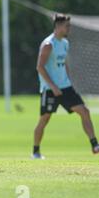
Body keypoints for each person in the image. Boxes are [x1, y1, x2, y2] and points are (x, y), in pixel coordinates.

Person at [33, 13, 99, 159]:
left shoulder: (65, 43)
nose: (69, 28)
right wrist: (53, 86)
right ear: (58, 26)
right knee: (44, 119)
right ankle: (35, 152)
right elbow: (40, 67)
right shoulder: (48, 45)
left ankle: (95, 144)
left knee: (84, 111)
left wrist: (68, 81)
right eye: (67, 26)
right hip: (50, 90)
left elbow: (64, 65)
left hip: (65, 87)